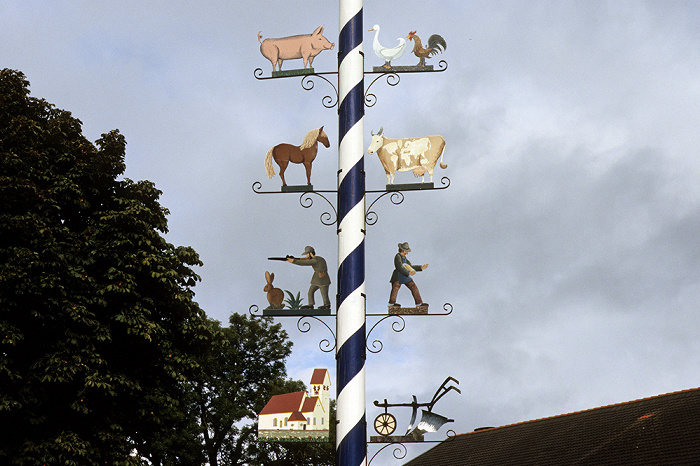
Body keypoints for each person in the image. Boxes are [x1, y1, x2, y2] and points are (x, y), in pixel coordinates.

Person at [389, 242, 428, 308]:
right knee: (395, 288)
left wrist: (420, 267)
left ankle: (419, 303)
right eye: (406, 250)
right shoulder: (398, 257)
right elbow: (399, 267)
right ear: (403, 250)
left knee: (413, 286)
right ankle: (392, 304)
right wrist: (408, 273)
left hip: (404, 276)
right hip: (398, 276)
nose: (407, 252)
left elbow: (410, 266)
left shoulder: (404, 258)